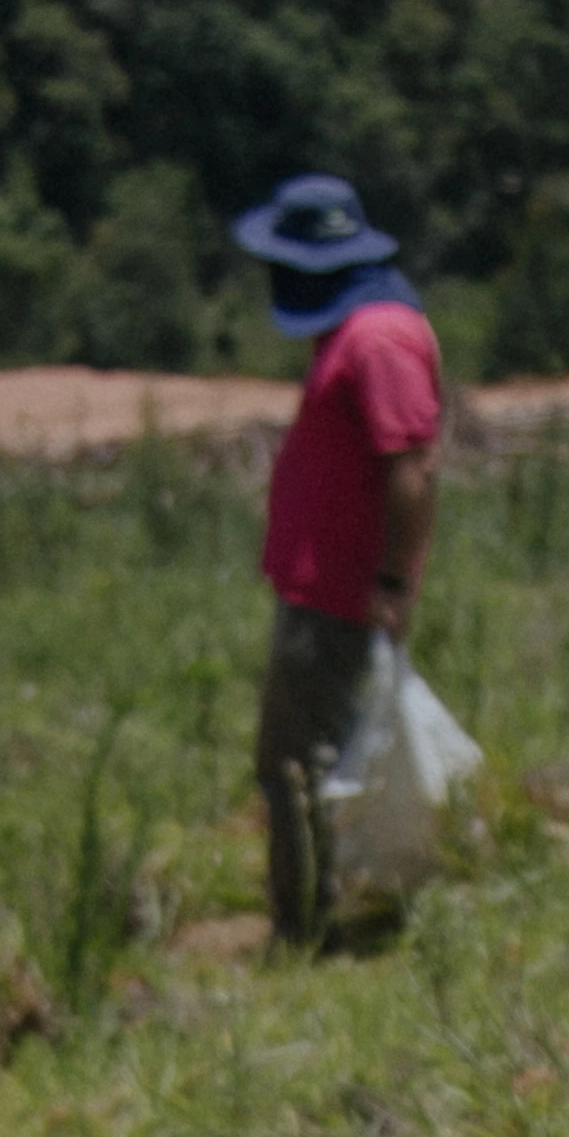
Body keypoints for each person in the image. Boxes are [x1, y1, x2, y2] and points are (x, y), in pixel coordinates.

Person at [229, 176, 442, 949]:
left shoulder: (379, 337)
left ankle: (305, 933)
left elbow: (412, 467)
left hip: (339, 594)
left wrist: (392, 581)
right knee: (310, 757)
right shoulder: (356, 331)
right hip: (321, 585)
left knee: (295, 765)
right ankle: (321, 911)